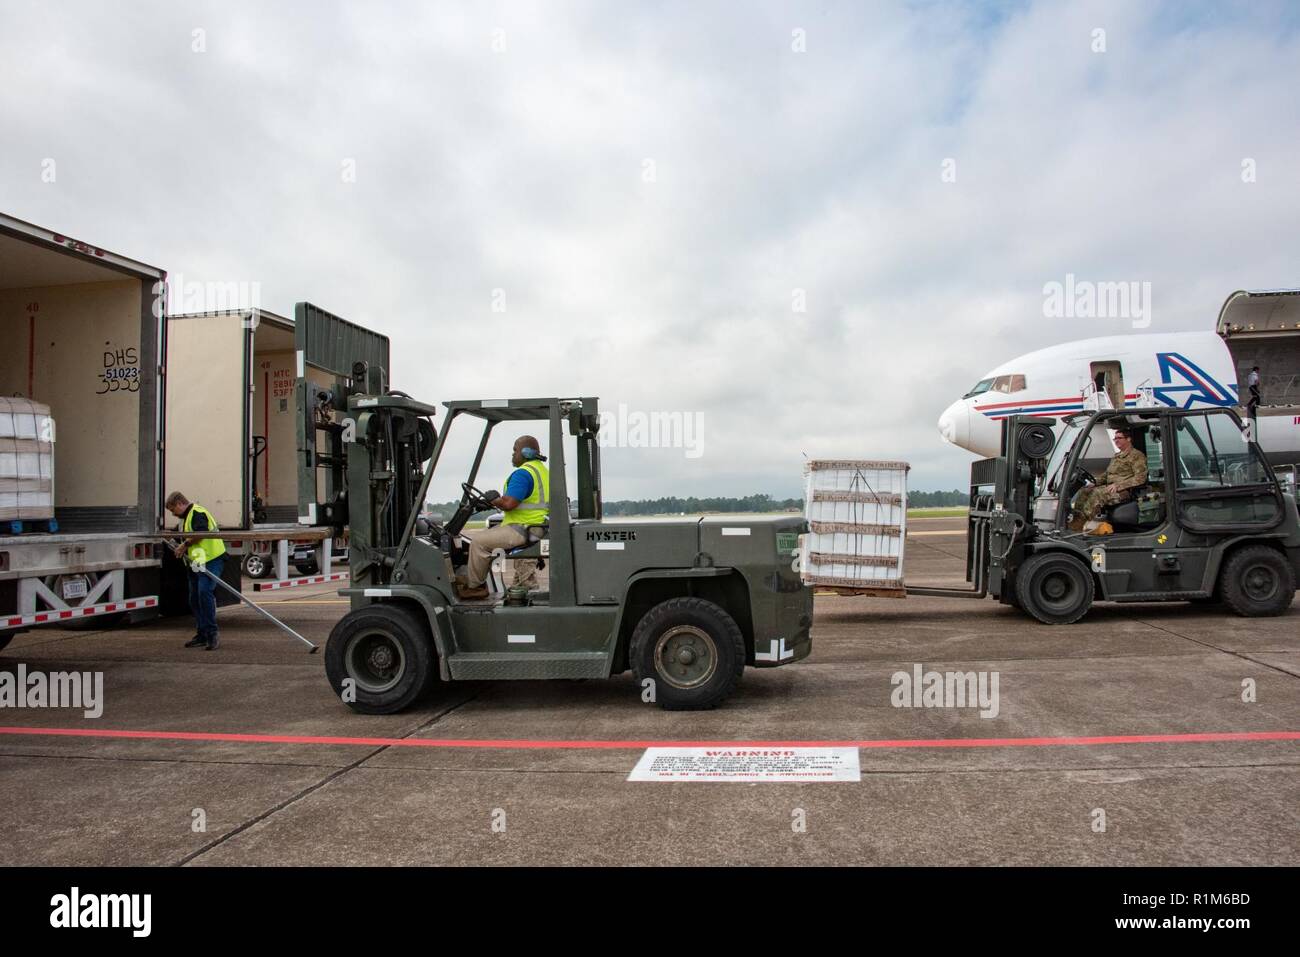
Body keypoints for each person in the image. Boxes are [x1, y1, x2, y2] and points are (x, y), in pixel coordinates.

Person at [459, 436, 550, 600]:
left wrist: (495, 499)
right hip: (535, 525)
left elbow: (509, 503)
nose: (512, 455)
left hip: (522, 527)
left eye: (515, 450)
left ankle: (475, 587)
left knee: (479, 542)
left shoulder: (523, 473)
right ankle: (517, 589)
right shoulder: (542, 470)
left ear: (526, 452)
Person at [165, 491, 227, 650]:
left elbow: (201, 533)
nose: (173, 513)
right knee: (195, 598)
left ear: (180, 503)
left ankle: (211, 633)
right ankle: (202, 633)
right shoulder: (186, 518)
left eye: (173, 509)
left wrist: (184, 545)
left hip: (211, 558)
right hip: (197, 562)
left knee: (204, 592)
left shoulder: (197, 513)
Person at [1069, 427, 1147, 532]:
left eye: (1119, 438)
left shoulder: (1136, 456)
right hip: (1110, 488)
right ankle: (1075, 521)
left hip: (1124, 491)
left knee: (1097, 494)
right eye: (1115, 438)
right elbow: (1106, 475)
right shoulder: (1117, 456)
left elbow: (1140, 478)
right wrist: (1094, 482)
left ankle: (1078, 526)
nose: (1116, 441)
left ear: (1128, 439)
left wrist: (1118, 486)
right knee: (1084, 491)